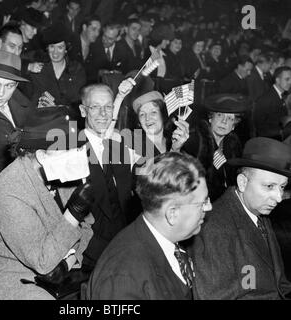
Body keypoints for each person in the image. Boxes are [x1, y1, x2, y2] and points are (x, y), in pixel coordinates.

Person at [0, 107, 94, 299]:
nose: (79, 157)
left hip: (52, 264)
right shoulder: (10, 190)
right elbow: (44, 262)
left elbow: (87, 227)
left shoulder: (61, 172)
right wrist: (72, 214)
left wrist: (68, 261)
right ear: (41, 155)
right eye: (70, 150)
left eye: (80, 148)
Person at [86, 152, 211, 299]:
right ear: (172, 214)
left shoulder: (167, 239)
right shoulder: (124, 278)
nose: (209, 207)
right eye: (202, 203)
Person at [190, 137, 291, 299]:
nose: (278, 198)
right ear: (242, 183)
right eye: (269, 186)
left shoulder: (259, 213)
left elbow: (280, 285)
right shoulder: (213, 229)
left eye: (282, 187)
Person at [78, 80, 136, 270]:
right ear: (83, 110)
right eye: (95, 107)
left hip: (125, 245)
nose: (103, 114)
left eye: (108, 107)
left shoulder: (120, 147)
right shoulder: (71, 150)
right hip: (89, 253)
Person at [183, 94, 246, 202]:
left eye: (230, 118)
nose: (224, 122)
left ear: (233, 126)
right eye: (220, 115)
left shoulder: (233, 145)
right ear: (211, 118)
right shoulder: (194, 142)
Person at [29, 26, 86, 110]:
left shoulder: (77, 70)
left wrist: (57, 108)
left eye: (60, 47)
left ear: (66, 49)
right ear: (47, 48)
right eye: (52, 47)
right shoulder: (38, 69)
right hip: (44, 119)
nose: (55, 52)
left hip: (69, 120)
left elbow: (78, 106)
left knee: (74, 123)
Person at [132, 91, 190, 157]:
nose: (147, 118)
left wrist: (176, 149)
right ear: (139, 122)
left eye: (153, 112)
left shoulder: (178, 143)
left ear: (163, 115)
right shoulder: (134, 146)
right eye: (142, 114)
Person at [254, 66, 291, 140]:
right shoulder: (266, 99)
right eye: (287, 79)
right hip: (270, 142)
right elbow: (260, 129)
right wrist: (283, 132)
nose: (290, 82)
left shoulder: (281, 95)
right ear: (277, 80)